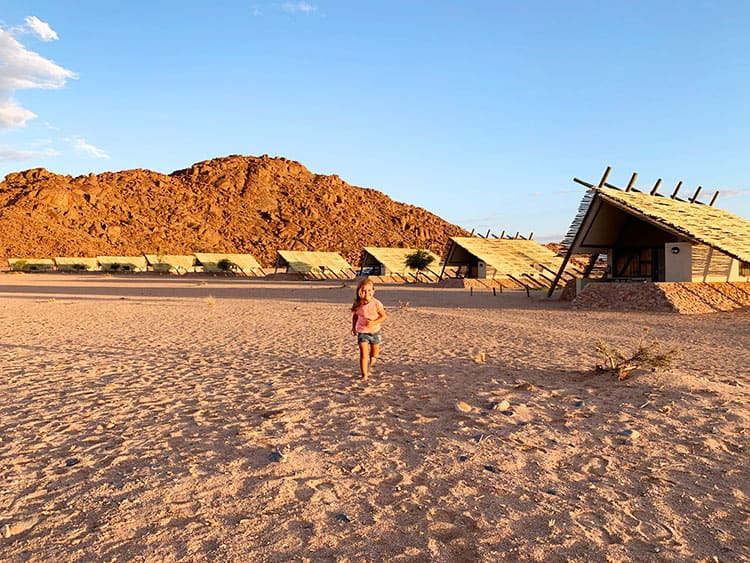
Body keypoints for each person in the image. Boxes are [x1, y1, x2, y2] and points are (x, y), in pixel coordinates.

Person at [351, 278, 387, 380]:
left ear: (373, 290)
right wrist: (353, 327)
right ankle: (364, 375)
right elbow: (355, 316)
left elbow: (384, 316)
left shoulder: (377, 303)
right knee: (363, 354)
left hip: (375, 331)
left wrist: (374, 322)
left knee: (374, 353)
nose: (367, 293)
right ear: (359, 292)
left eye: (369, 290)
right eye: (364, 290)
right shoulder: (358, 304)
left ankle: (373, 358)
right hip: (362, 332)